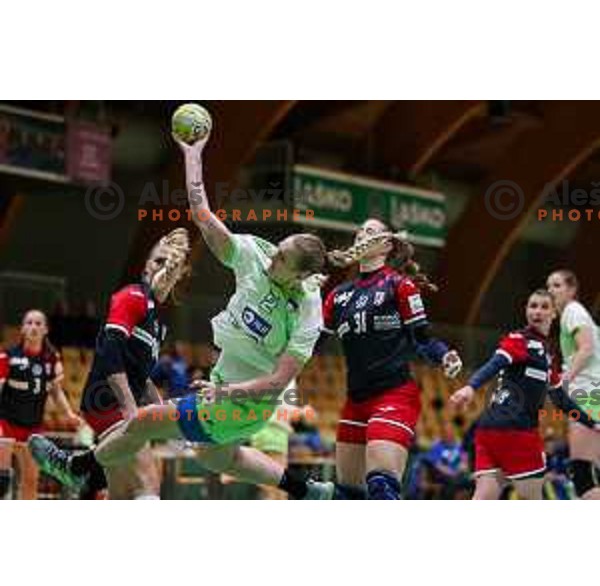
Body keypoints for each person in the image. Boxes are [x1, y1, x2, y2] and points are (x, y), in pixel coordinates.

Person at [31, 135, 335, 500]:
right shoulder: (255, 255)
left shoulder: (307, 311)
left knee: (143, 421)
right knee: (218, 457)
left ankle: (76, 468)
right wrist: (193, 154)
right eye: (279, 249)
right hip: (224, 387)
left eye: (282, 260)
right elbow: (203, 217)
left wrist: (226, 392)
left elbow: (277, 382)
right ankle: (307, 490)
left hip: (242, 402)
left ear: (300, 276)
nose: (273, 258)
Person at [31, 228, 193, 499]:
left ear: (179, 275)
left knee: (124, 492)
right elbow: (110, 355)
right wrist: (132, 414)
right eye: (158, 261)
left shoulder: (158, 324)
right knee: (147, 483)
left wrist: (163, 414)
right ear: (146, 267)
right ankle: (73, 466)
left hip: (123, 406)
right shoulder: (131, 296)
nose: (163, 268)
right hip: (105, 401)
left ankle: (75, 466)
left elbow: (142, 377)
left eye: (170, 264)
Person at [323, 218, 463, 500]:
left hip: (394, 397)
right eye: (359, 230)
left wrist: (444, 355)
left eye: (371, 231)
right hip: (355, 401)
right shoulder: (337, 296)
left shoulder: (400, 285)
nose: (362, 234)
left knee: (381, 487)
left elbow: (422, 339)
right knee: (347, 495)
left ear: (386, 245)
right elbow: (311, 345)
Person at [450, 289, 597, 500]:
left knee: (483, 498)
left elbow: (561, 401)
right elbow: (495, 363)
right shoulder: (520, 340)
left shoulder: (547, 356)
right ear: (526, 310)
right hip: (516, 432)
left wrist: (591, 423)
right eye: (533, 306)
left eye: (544, 307)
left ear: (554, 313)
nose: (537, 311)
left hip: (489, 431)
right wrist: (471, 386)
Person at [0, 309, 81, 499]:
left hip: (33, 427)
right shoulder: (8, 356)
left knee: (30, 481)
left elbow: (55, 391)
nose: (33, 327)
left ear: (45, 329)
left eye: (38, 323)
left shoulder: (52, 359)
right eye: (29, 323)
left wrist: (68, 414)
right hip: (6, 424)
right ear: (22, 329)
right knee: (1, 481)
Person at [546, 269, 600, 499]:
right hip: (592, 390)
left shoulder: (572, 311)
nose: (551, 291)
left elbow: (586, 348)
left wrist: (562, 381)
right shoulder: (579, 313)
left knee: (582, 472)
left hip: (587, 393)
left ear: (572, 290)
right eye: (548, 286)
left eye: (557, 285)